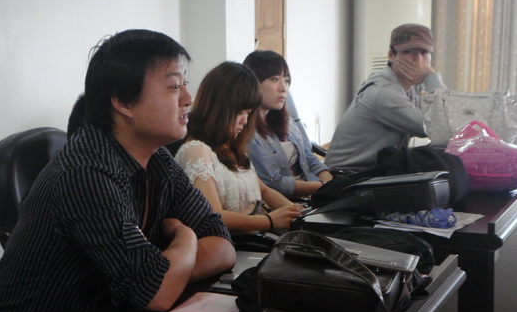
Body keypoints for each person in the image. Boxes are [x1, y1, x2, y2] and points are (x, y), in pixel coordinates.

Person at [0, 30, 235, 312]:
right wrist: (184, 238)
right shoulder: (84, 173)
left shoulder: (158, 161)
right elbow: (157, 292)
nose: (188, 98)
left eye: (185, 83)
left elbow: (223, 245)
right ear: (123, 102)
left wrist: (169, 268)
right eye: (173, 86)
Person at [175, 61, 303, 234]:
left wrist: (294, 212)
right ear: (218, 109)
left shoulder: (231, 146)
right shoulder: (196, 151)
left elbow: (264, 190)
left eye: (248, 113)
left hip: (259, 233)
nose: (245, 121)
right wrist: (269, 221)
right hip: (236, 242)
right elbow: (213, 216)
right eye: (240, 112)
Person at [324, 23, 447, 172]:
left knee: (443, 162)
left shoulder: (416, 86)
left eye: (424, 52)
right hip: (349, 175)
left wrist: (430, 81)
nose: (418, 59)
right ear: (391, 55)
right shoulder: (383, 92)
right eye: (408, 52)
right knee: (441, 166)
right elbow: (436, 129)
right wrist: (432, 78)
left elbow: (449, 119)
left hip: (378, 168)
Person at [242, 50, 332, 197]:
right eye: (274, 79)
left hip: (315, 193)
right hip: (289, 201)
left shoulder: (287, 121)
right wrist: (323, 187)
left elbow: (309, 158)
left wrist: (331, 184)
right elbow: (275, 183)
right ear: (254, 82)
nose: (283, 88)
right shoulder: (245, 131)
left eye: (286, 80)